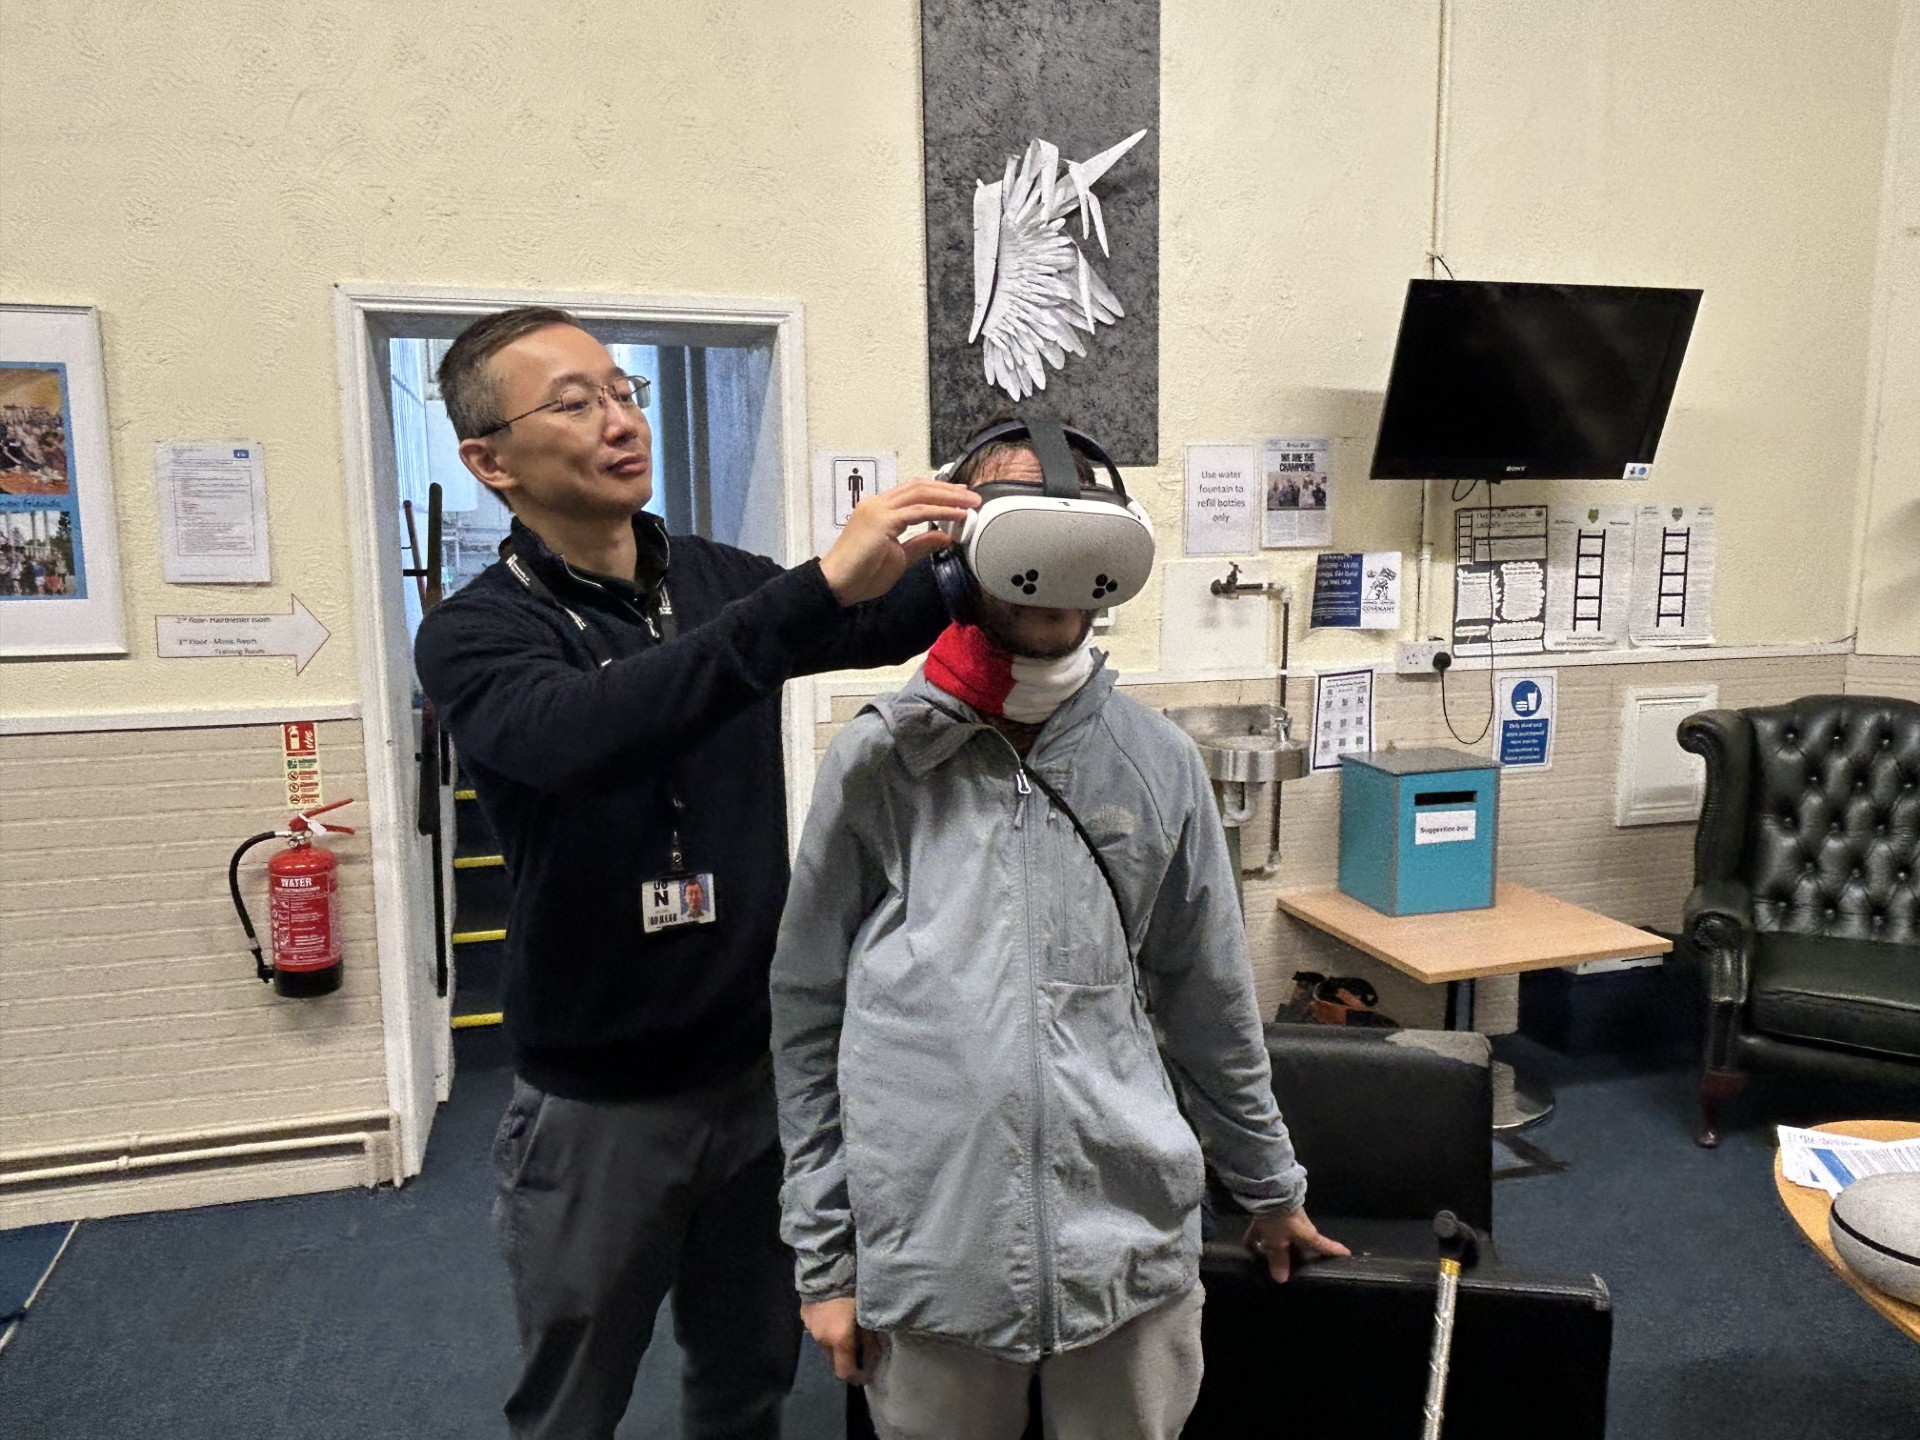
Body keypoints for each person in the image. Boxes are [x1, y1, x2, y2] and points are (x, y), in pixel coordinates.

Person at [412, 306, 979, 1440]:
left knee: (748, 1378)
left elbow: (873, 620)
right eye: (574, 403)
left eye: (623, 391)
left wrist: (1000, 542)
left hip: (757, 1082)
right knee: (572, 1403)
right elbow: (594, 727)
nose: (620, 419)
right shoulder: (473, 637)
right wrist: (813, 586)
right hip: (596, 1105)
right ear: (489, 462)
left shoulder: (712, 578)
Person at [771, 424, 1348, 1440]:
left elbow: (1209, 996)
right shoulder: (882, 760)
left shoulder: (1156, 760)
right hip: (933, 1243)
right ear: (958, 550)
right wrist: (825, 1259)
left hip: (1122, 1245)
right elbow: (808, 1015)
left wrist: (1268, 1185)